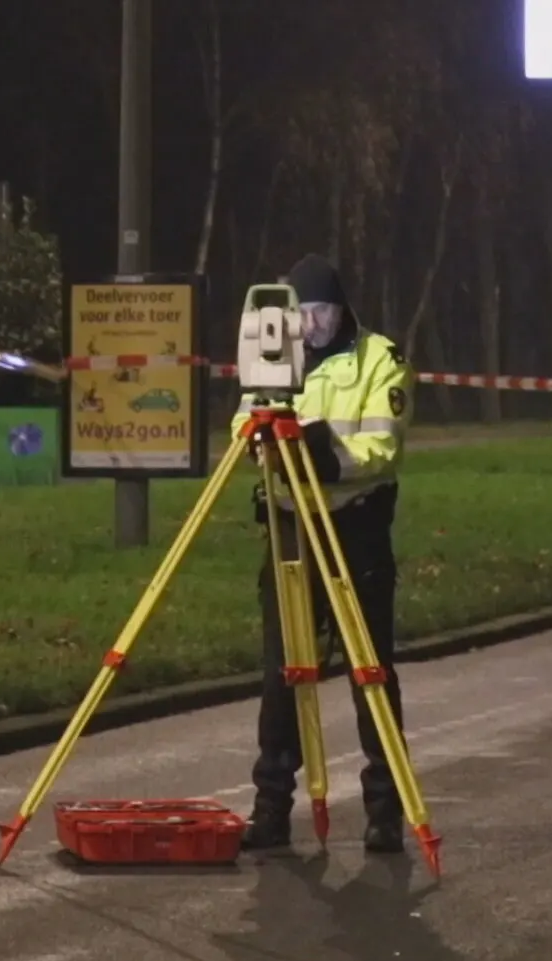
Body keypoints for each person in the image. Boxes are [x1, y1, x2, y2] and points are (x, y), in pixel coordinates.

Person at [230, 253, 414, 855]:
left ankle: (386, 811)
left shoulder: (380, 359)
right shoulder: (274, 353)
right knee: (282, 671)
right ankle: (271, 809)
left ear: (341, 310)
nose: (310, 325)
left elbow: (383, 448)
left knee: (371, 670)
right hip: (291, 525)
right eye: (301, 313)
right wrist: (262, 438)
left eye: (320, 312)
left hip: (354, 526)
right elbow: (242, 423)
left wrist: (325, 457)